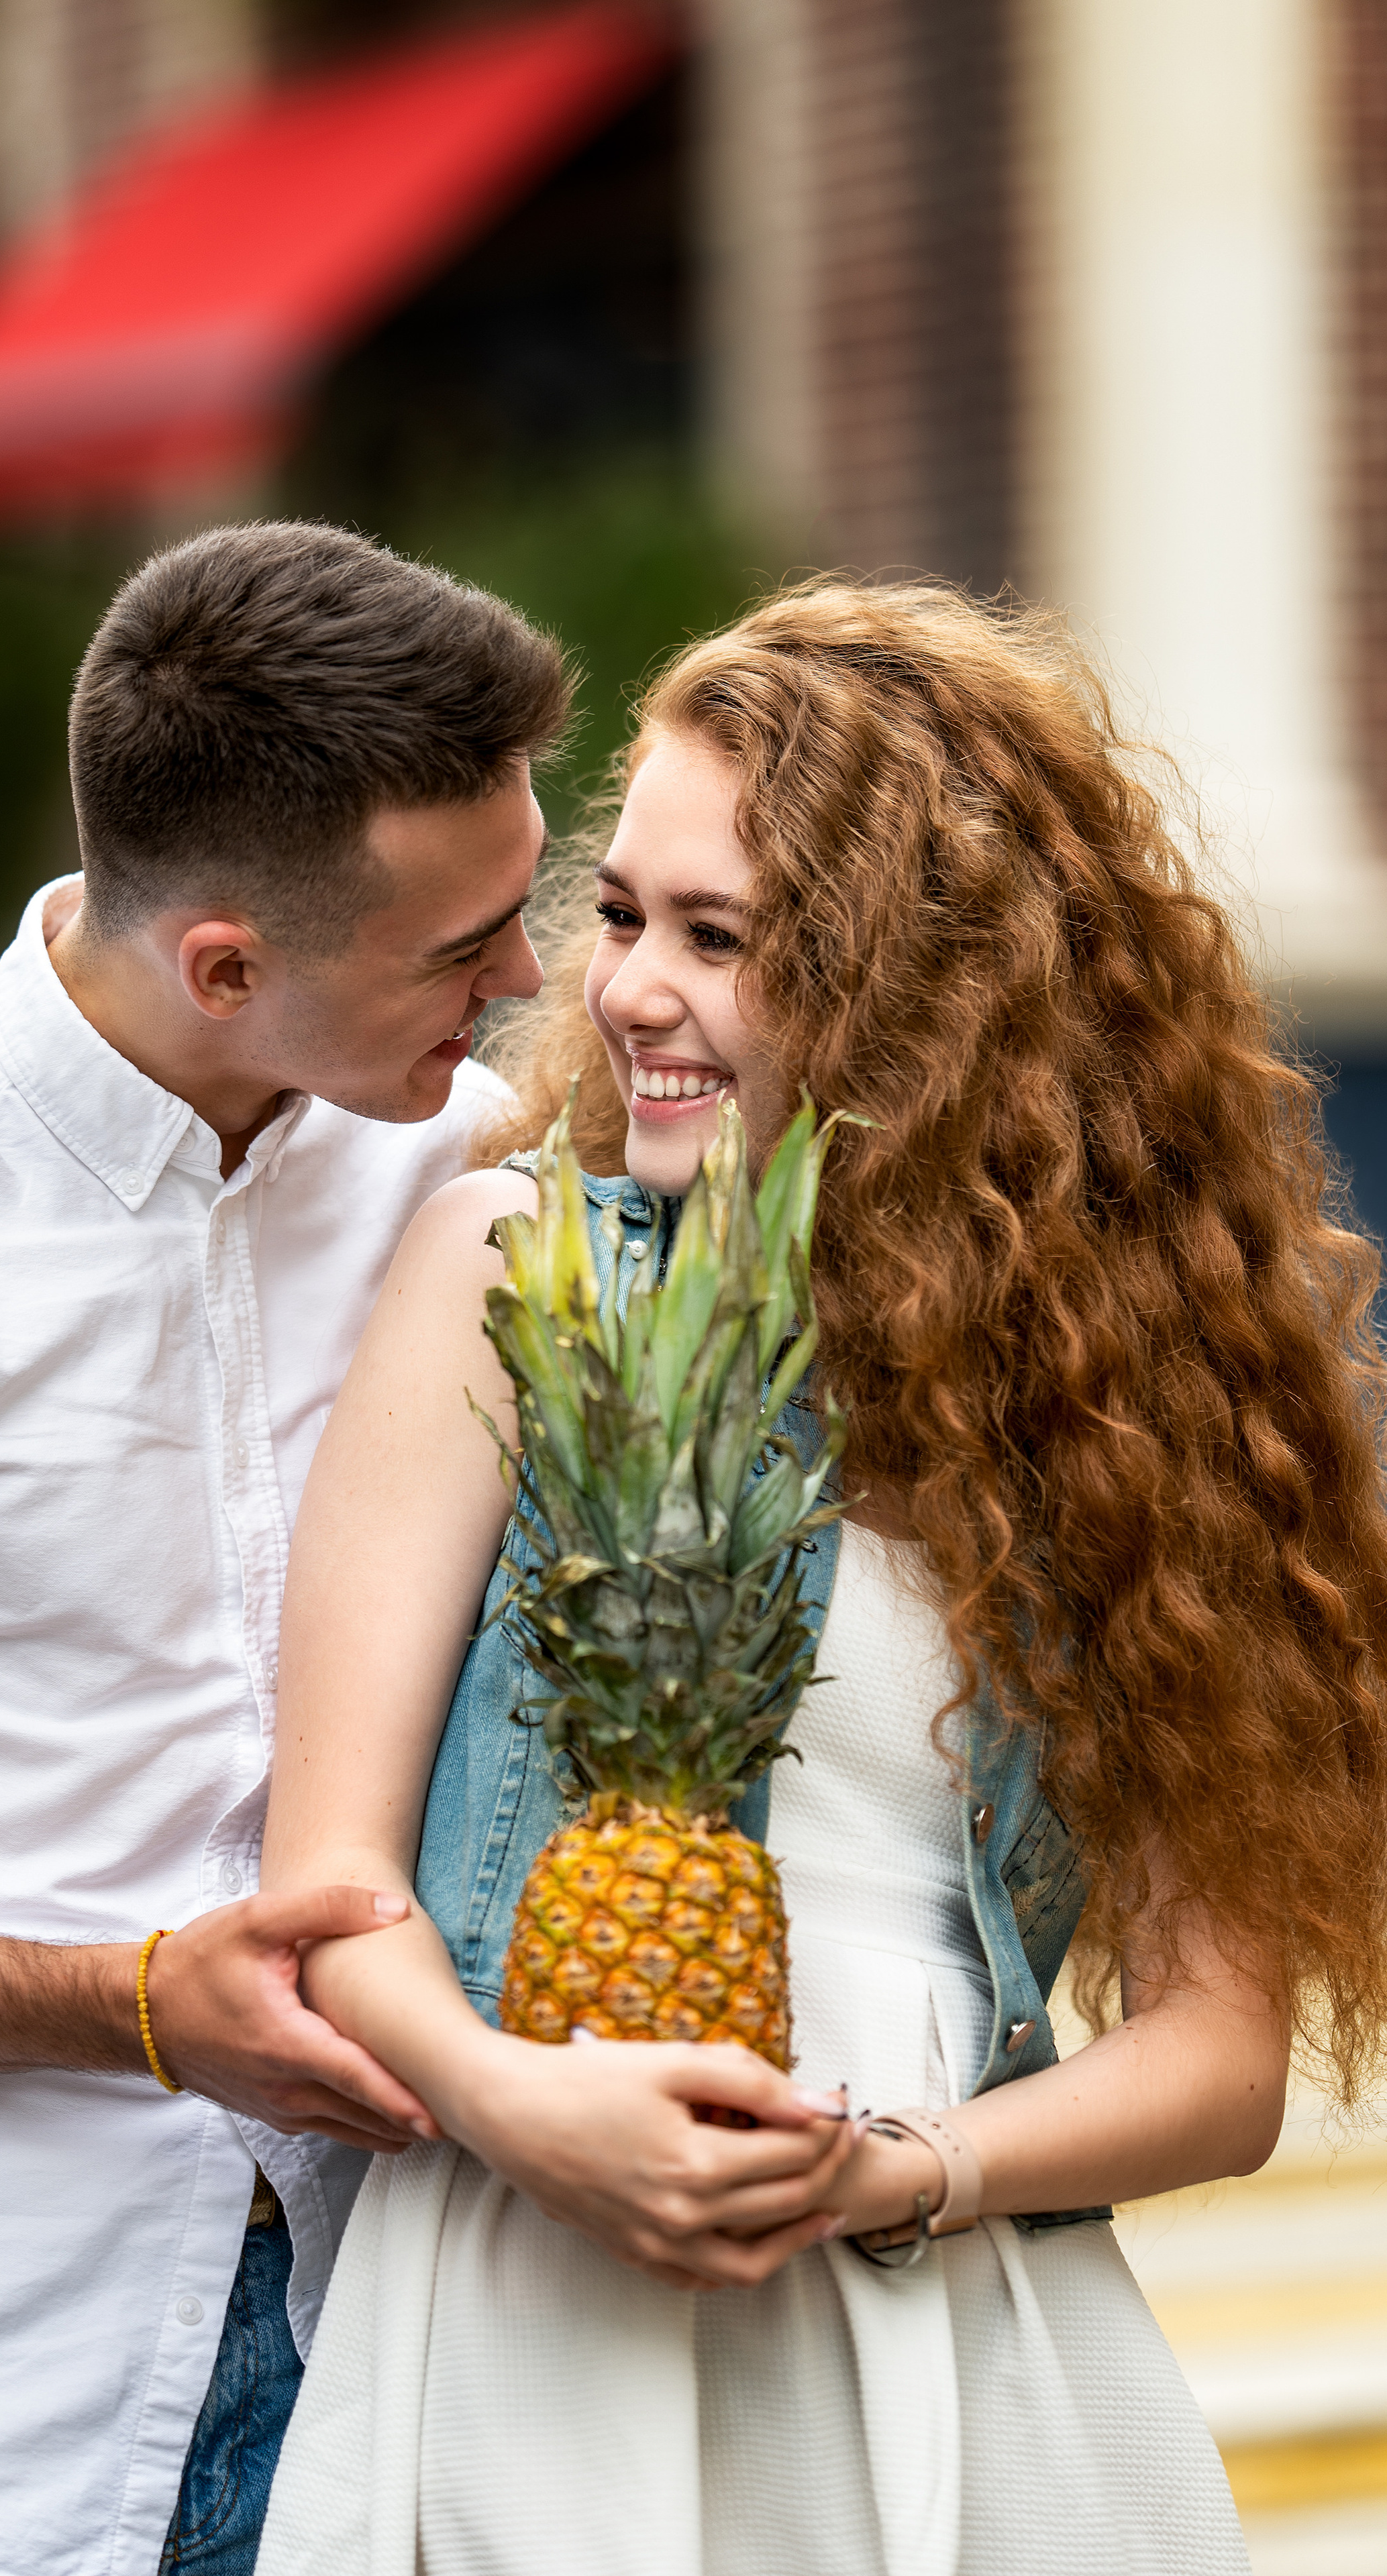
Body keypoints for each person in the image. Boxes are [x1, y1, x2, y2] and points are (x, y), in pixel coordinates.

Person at [255, 580, 1387, 2576]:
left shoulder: (1117, 1420)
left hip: (952, 2303)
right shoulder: (513, 1273)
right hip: (543, 2290)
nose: (628, 995)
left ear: (916, 994)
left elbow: (1218, 2062)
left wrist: (910, 2173)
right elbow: (326, 1886)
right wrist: (514, 2108)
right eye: (620, 916)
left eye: (720, 939)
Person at [0, 521, 571, 2576]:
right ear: (227, 965)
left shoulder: (446, 1159)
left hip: (376, 2389)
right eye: (463, 950)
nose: (522, 985)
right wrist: (129, 2002)